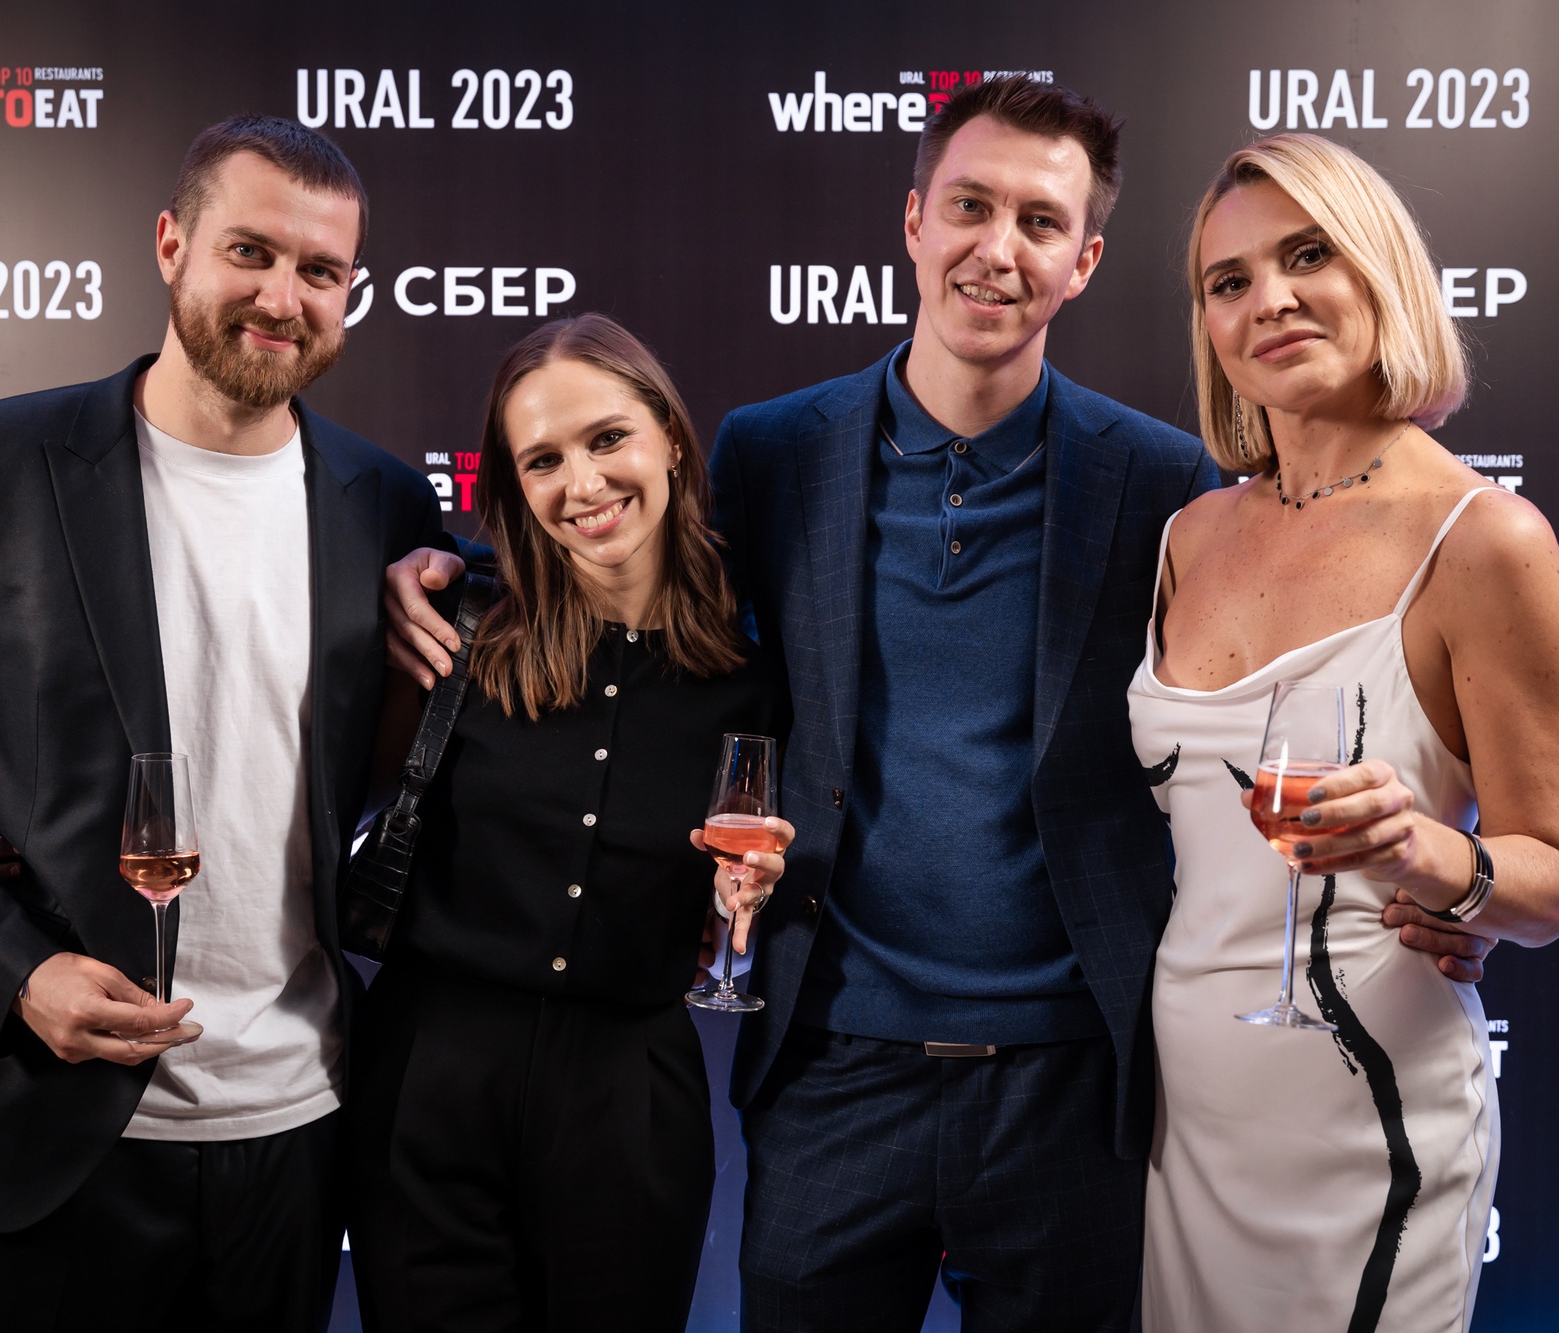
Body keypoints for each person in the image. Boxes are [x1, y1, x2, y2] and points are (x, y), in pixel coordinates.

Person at [385, 79, 1491, 1329]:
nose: (996, 248)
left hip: (1071, 1079)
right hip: (829, 1070)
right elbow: (637, 586)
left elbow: (1277, 704)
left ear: (1083, 262)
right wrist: (449, 571)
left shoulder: (1160, 480)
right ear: (914, 222)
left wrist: (1451, 886)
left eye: (1039, 222)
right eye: (969, 206)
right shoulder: (772, 450)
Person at [0, 115, 441, 1332]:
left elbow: (364, 779)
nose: (283, 297)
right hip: (47, 1123)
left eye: (321, 270)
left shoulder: (386, 503)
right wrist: (17, 968)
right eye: (250, 251)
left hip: (297, 1134)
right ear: (170, 244)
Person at [1129, 133, 1559, 1332]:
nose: (1268, 300)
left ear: (1380, 269)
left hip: (1369, 1110)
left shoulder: (1485, 540)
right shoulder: (1186, 537)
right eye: (1227, 281)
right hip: (1181, 1111)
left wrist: (1425, 852)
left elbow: (1548, 882)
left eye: (1306, 256)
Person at [344, 313, 791, 1331]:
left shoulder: (755, 677)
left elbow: (756, 885)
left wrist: (751, 896)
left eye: (606, 438)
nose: (581, 484)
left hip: (628, 1096)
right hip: (427, 1080)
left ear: (669, 437)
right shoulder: (452, 624)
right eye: (541, 460)